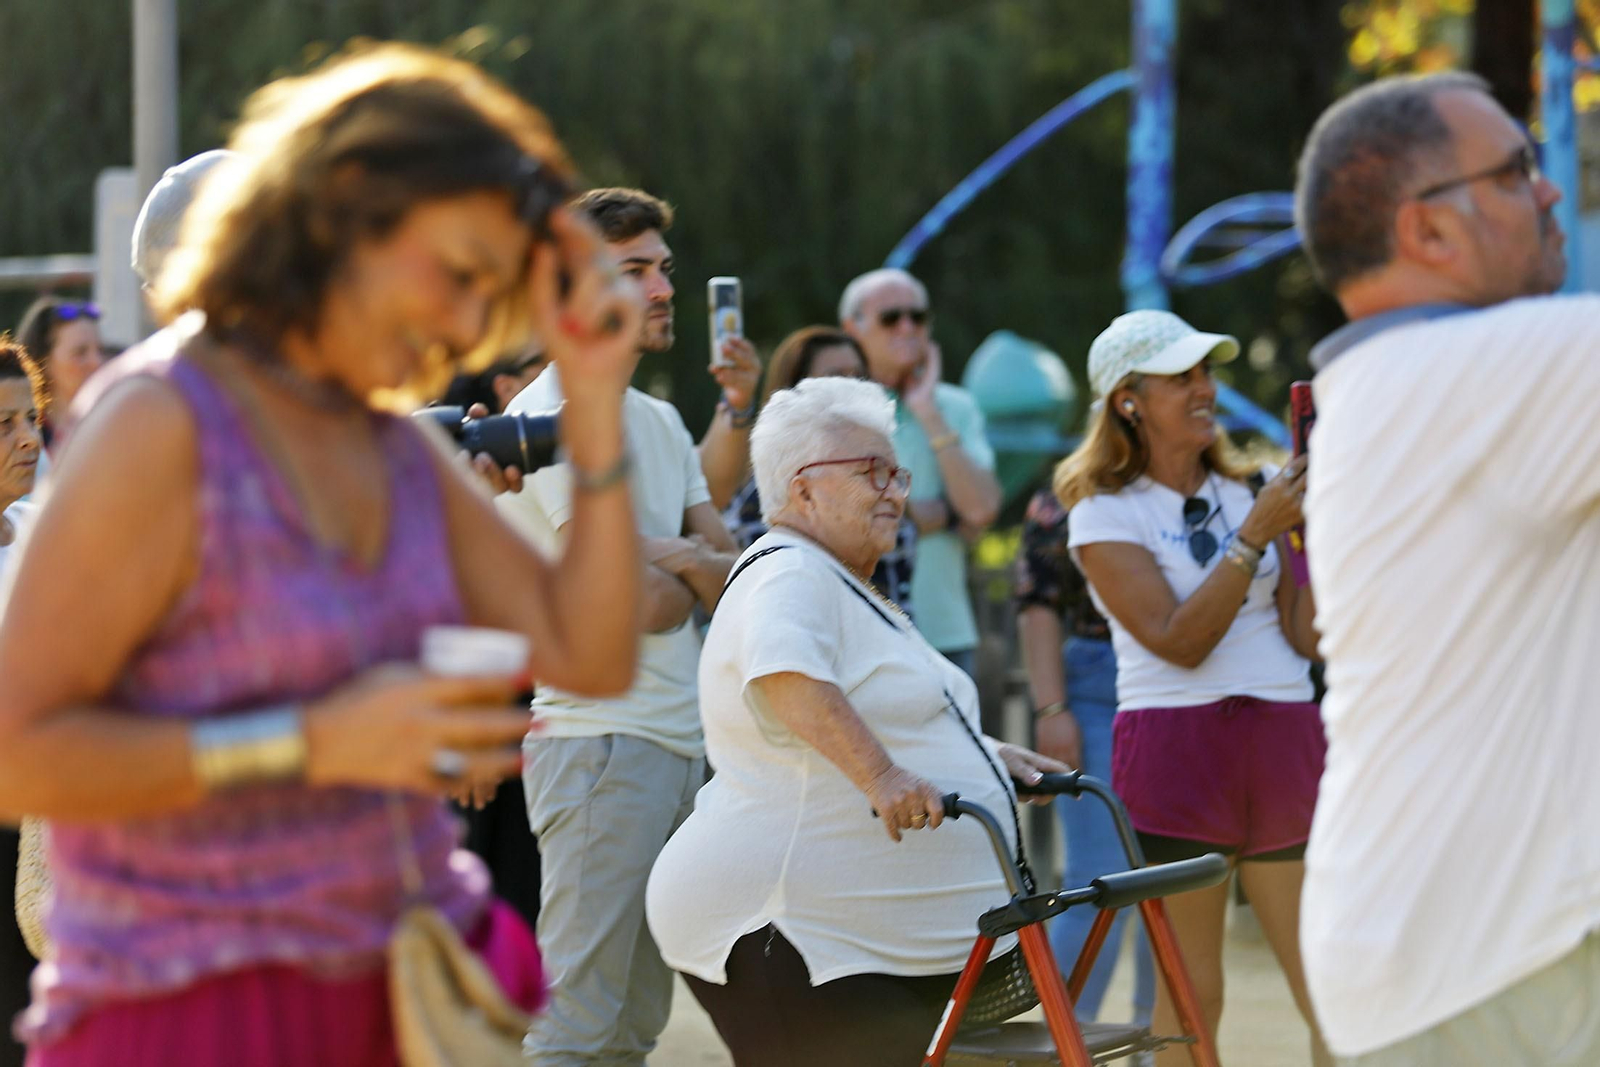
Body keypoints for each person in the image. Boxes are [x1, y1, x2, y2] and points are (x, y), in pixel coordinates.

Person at [0, 43, 646, 1065]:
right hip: (193, 1008)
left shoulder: (383, 437)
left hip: (389, 995)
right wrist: (311, 740)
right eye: (457, 270)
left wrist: (598, 407)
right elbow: (19, 752)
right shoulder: (159, 420)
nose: (472, 319)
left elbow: (591, 648)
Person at [1294, 73, 1600, 1065]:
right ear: (1426, 230)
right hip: (1492, 965)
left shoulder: (1412, 383)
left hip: (1459, 953)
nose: (1551, 191)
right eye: (1516, 169)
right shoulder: (1471, 374)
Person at [647, 376, 1067, 1067]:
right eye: (872, 472)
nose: (895, 491)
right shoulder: (789, 572)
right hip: (788, 929)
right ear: (802, 489)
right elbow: (784, 672)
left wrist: (988, 756)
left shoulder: (835, 580)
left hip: (853, 947)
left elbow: (879, 701)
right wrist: (880, 773)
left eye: (897, 472)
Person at [497, 187, 742, 1066]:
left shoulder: (662, 419)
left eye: (663, 269)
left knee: (632, 1029)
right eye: (632, 270)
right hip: (600, 748)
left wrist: (664, 554)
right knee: (576, 1025)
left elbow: (731, 582)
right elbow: (641, 607)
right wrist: (687, 563)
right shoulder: (546, 422)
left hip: (676, 751)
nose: (663, 288)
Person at [1056, 309, 1328, 1066]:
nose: (1205, 388)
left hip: (1285, 736)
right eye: (1183, 377)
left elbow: (1308, 636)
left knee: (1332, 986)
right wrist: (1253, 537)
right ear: (1128, 399)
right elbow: (1179, 642)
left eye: (1207, 371)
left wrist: (1323, 534)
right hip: (1176, 746)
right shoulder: (1100, 510)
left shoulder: (1258, 486)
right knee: (1191, 998)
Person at [1013, 483, 1155, 1029]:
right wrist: (1052, 708)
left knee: (1173, 883)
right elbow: (1038, 602)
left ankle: (1156, 1051)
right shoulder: (1066, 494)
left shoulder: (1215, 484)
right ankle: (1062, 1044)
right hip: (1097, 683)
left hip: (1192, 689)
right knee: (1098, 881)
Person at [839, 268, 1000, 675]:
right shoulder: (833, 408)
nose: (908, 326)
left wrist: (928, 411)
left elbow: (980, 509)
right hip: (852, 633)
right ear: (851, 328)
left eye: (918, 316)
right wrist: (934, 514)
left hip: (945, 636)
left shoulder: (956, 407)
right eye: (891, 317)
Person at [721, 325, 917, 613]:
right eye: (836, 375)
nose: (853, 385)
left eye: (859, 374)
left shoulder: (884, 478)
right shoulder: (766, 505)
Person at [0, 336, 45, 1067]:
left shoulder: (48, 529)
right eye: (3, 426)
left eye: (31, 418)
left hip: (47, 842)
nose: (28, 437)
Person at [13, 298, 103, 453]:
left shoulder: (111, 422)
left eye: (100, 350)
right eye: (80, 353)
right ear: (42, 363)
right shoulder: (21, 438)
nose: (96, 362)